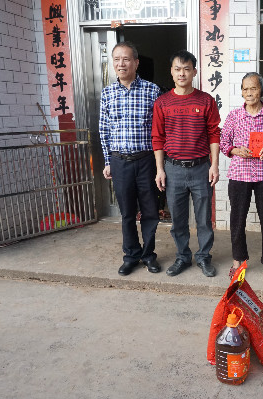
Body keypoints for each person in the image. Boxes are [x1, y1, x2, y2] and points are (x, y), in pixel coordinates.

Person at [152, 50, 220, 278]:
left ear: (194, 72)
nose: (182, 73)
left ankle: (203, 257)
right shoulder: (162, 103)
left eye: (187, 69)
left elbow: (214, 134)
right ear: (171, 72)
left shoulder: (206, 101)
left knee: (204, 219)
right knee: (178, 220)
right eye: (178, 69)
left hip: (201, 168)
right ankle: (182, 256)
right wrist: (160, 169)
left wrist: (214, 165)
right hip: (173, 169)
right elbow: (158, 138)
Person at [99, 41, 162, 276]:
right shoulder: (107, 93)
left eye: (126, 59)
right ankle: (131, 255)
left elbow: (159, 130)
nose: (121, 64)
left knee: (150, 212)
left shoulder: (152, 91)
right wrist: (108, 161)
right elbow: (104, 130)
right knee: (126, 213)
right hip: (120, 162)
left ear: (136, 62)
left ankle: (149, 255)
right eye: (116, 59)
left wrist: (159, 165)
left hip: (146, 161)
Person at [220, 72, 263, 283]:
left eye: (253, 88)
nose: (249, 93)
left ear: (261, 90)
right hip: (240, 174)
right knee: (237, 219)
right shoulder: (234, 116)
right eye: (245, 89)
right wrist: (236, 150)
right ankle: (238, 261)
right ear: (241, 92)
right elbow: (224, 143)